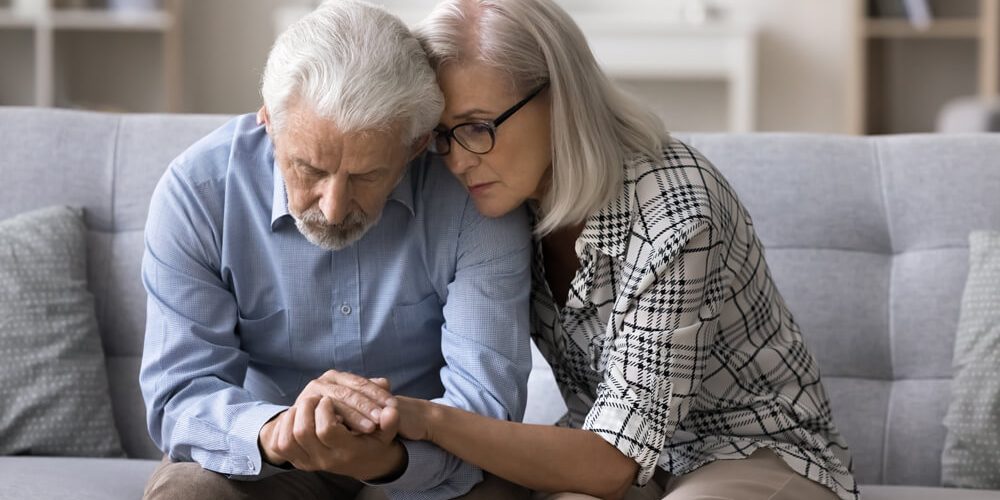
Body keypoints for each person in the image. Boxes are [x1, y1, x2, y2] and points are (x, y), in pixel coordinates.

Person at [333, 1, 862, 499]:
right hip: (603, 443)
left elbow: (613, 464)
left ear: (561, 97)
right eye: (443, 135)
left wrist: (428, 418)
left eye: (476, 126)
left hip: (749, 448)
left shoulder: (675, 213)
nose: (457, 160)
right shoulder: (499, 193)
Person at [138, 1, 533, 499]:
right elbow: (179, 394)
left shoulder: (471, 199)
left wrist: (387, 458)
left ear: (413, 147)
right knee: (187, 492)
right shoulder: (198, 192)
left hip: (423, 461)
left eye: (366, 175)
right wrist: (278, 432)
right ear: (269, 123)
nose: (332, 207)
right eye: (310, 169)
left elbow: (486, 407)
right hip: (268, 454)